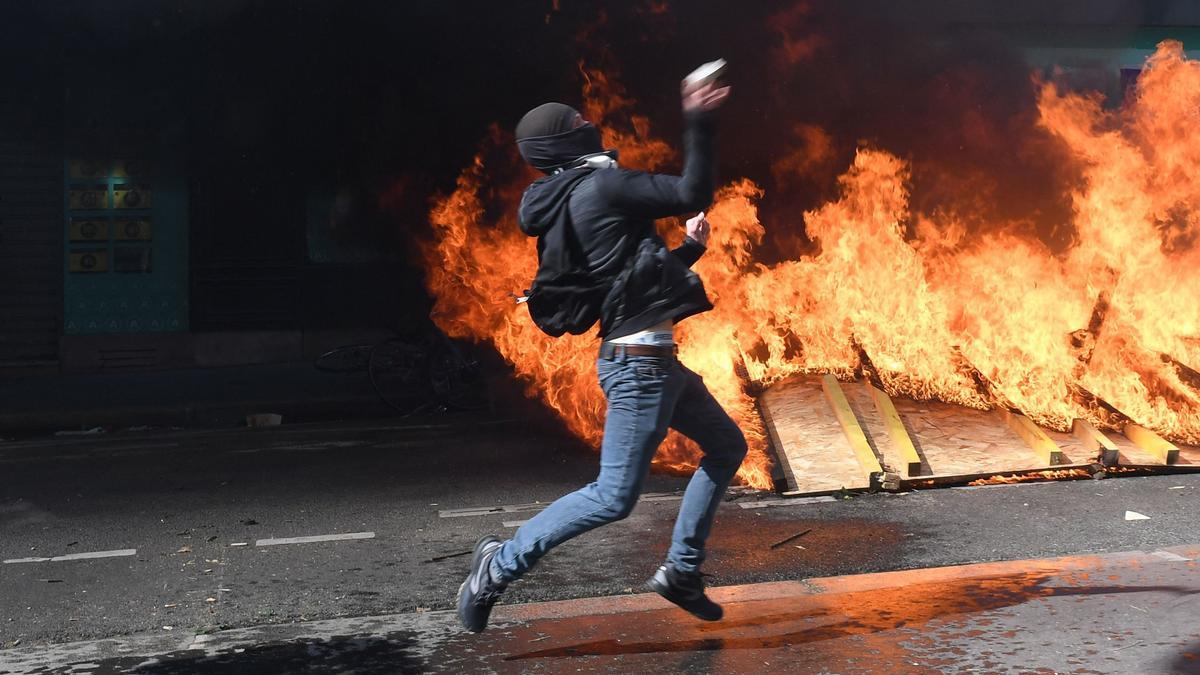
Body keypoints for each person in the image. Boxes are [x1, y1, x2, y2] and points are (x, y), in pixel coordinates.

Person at [457, 74, 745, 633]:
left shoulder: (574, 199)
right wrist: (698, 117)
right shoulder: (603, 187)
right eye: (574, 124)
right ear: (560, 144)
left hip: (655, 364)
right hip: (639, 368)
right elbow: (692, 191)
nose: (588, 125)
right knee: (613, 498)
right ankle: (497, 567)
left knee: (727, 446)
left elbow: (629, 286)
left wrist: (688, 249)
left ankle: (683, 571)